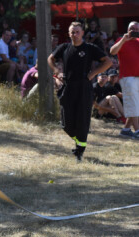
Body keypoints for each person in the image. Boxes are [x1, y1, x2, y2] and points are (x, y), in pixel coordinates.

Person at [48, 22, 112, 161]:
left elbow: (107, 62)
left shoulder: (89, 48)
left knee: (82, 119)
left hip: (84, 86)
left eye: (77, 32)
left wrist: (93, 73)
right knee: (66, 123)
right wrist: (56, 71)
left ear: (83, 33)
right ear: (69, 33)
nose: (74, 34)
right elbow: (50, 59)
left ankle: (80, 151)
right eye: (72, 32)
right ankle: (78, 142)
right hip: (68, 85)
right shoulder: (64, 47)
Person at [109, 21, 139, 138]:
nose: (135, 31)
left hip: (137, 76)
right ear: (127, 29)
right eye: (132, 28)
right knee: (133, 104)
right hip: (127, 77)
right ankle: (137, 131)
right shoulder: (122, 40)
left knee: (137, 105)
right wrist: (123, 40)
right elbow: (112, 51)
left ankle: (126, 130)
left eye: (137, 29)